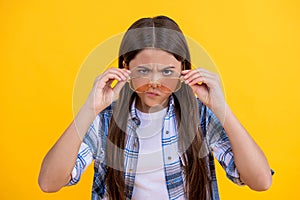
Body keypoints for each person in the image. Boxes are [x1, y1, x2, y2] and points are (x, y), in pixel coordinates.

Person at [38, 16, 273, 200]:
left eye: (167, 71)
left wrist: (221, 108)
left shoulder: (199, 114)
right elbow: (49, 183)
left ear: (184, 70)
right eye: (143, 70)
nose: (155, 82)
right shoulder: (106, 119)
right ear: (125, 68)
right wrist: (90, 108)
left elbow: (261, 182)